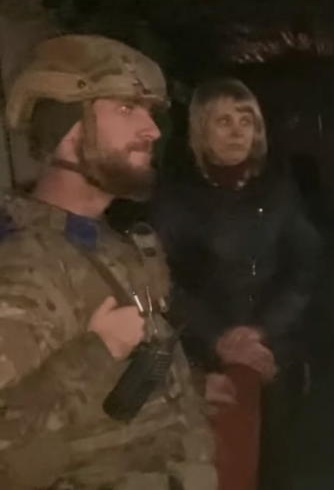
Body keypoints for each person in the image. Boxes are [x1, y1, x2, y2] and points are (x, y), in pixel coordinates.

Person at [0, 35, 217, 489]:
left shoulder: (115, 244)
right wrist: (97, 353)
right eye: (125, 108)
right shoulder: (22, 263)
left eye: (149, 112)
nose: (153, 130)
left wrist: (191, 388)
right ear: (68, 130)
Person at [151, 78, 321, 490]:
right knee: (220, 469)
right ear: (200, 129)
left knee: (277, 464)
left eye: (246, 120)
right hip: (207, 363)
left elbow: (304, 266)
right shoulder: (174, 197)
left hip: (272, 354)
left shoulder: (279, 188)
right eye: (223, 121)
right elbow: (162, 281)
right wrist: (219, 338)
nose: (236, 131)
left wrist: (259, 331)